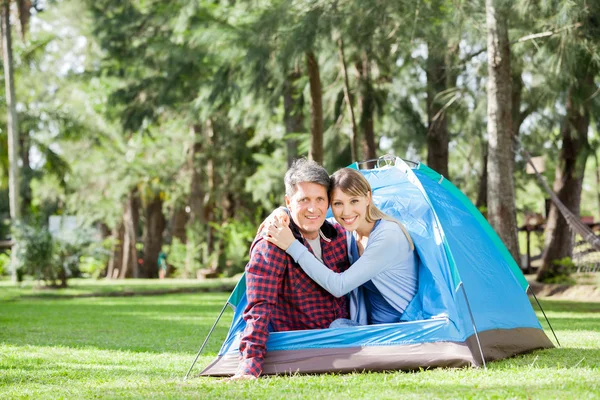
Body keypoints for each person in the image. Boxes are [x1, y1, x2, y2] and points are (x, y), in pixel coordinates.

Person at [231, 159, 351, 380]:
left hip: (343, 337)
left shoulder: (338, 235)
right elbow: (259, 307)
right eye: (304, 200)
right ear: (289, 201)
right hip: (303, 346)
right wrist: (249, 366)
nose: (313, 208)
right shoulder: (273, 241)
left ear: (328, 202)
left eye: (319, 199)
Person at [264, 167, 417, 327]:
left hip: (404, 327)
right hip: (373, 328)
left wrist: (292, 246)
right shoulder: (349, 231)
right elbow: (309, 221)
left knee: (336, 328)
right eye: (338, 203)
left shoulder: (388, 236)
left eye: (354, 201)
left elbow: (339, 286)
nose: (346, 212)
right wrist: (281, 211)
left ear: (368, 198)